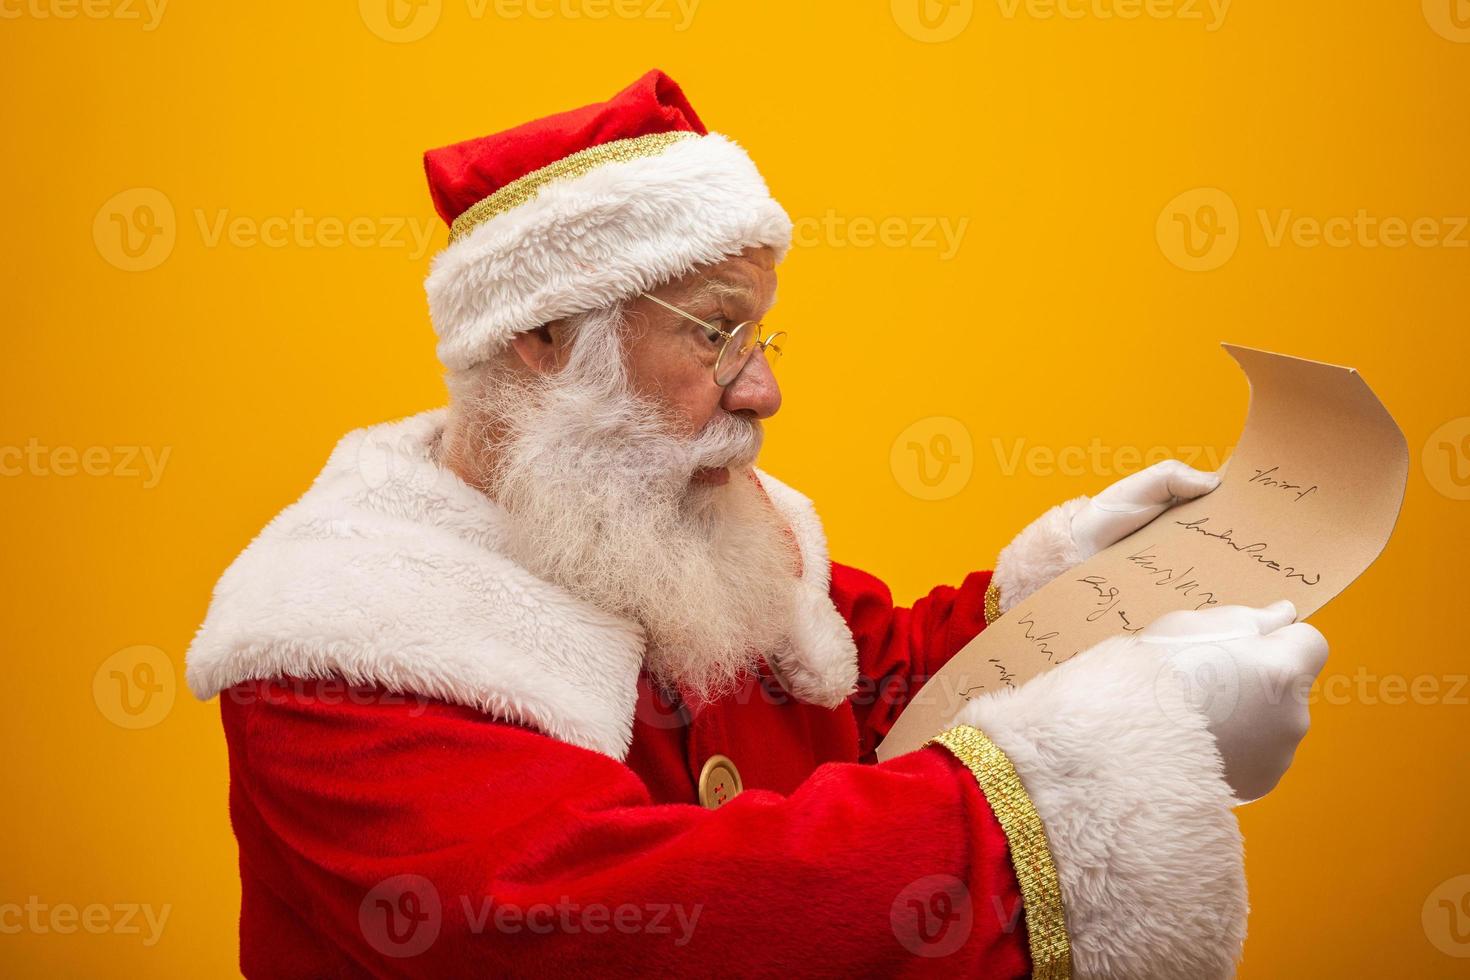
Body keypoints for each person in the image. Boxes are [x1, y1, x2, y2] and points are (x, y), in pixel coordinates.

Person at [186, 70, 1328, 978]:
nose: (762, 390)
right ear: (540, 337)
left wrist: (1065, 596)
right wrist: (1101, 776)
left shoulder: (685, 513)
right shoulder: (340, 638)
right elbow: (608, 922)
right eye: (716, 330)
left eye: (762, 335)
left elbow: (872, 684)